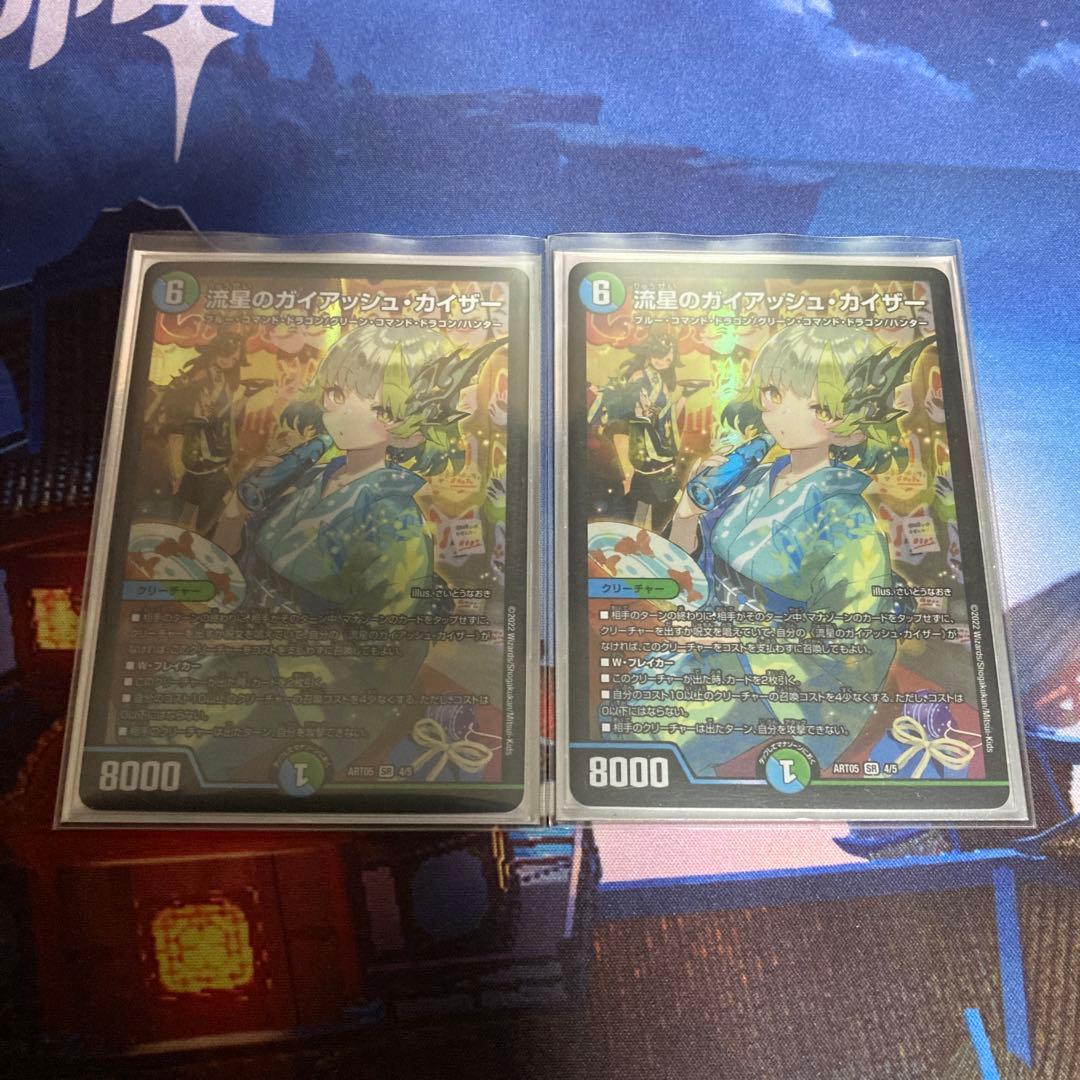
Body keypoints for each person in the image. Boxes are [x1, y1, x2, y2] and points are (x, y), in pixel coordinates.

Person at [635, 323, 935, 774]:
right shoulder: (753, 479)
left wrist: (732, 638)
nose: (778, 411)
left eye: (814, 404)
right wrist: (686, 515)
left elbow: (849, 642)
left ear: (851, 422)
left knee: (658, 739)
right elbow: (687, 575)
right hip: (703, 646)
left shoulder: (848, 520)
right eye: (773, 392)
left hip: (774, 676)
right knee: (629, 708)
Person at [588, 327, 684, 531]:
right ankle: (636, 533)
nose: (663, 362)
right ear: (650, 353)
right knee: (641, 493)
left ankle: (642, 533)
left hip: (653, 442)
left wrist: (680, 400)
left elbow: (664, 415)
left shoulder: (660, 382)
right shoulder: (639, 376)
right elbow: (628, 409)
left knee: (647, 497)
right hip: (636, 438)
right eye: (660, 356)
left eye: (668, 360)